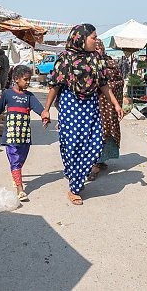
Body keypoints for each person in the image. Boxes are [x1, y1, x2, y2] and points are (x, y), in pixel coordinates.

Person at [44, 24, 124, 205]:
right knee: (73, 147)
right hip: (70, 106)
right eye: (93, 38)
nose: (96, 41)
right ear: (81, 38)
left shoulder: (96, 59)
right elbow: (55, 85)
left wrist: (116, 104)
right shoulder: (65, 58)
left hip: (90, 107)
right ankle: (74, 187)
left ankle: (77, 176)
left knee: (95, 145)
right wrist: (46, 109)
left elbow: (103, 84)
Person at [0, 65, 50, 201]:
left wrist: (45, 117)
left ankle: (16, 175)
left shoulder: (29, 96)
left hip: (25, 135)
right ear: (16, 79)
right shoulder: (8, 93)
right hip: (11, 134)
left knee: (21, 159)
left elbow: (39, 109)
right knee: (14, 159)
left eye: (29, 80)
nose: (28, 82)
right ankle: (20, 188)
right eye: (25, 79)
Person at [87, 39, 124, 181]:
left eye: (99, 48)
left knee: (107, 130)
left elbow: (120, 81)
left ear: (102, 49)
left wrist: (108, 87)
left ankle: (99, 162)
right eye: (94, 48)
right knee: (94, 131)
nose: (96, 51)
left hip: (108, 104)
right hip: (92, 104)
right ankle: (94, 161)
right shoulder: (86, 64)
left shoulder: (111, 63)